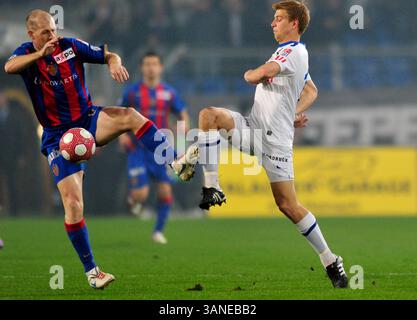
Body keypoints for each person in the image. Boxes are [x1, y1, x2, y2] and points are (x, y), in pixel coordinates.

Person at [4, 10, 197, 290]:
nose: (52, 36)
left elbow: (109, 54)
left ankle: (174, 162)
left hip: (88, 121)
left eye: (54, 29)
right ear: (31, 34)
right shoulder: (25, 55)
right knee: (73, 205)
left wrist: (113, 62)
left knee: (131, 115)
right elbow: (10, 68)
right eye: (45, 32)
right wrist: (39, 54)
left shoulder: (70, 46)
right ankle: (93, 272)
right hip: (58, 137)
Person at [187, 0, 348, 288]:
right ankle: (212, 186)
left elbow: (259, 74)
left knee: (288, 205)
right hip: (253, 128)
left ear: (294, 23)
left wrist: (252, 73)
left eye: (278, 18)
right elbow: (311, 89)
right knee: (208, 116)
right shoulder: (292, 54)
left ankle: (330, 259)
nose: (273, 23)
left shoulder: (293, 51)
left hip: (275, 143)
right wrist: (293, 112)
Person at [119, 52, 190, 244]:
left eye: (154, 64)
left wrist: (182, 128)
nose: (151, 67)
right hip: (137, 149)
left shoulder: (169, 92)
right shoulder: (132, 92)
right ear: (142, 68)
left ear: (160, 68)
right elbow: (119, 114)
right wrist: (122, 136)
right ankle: (134, 202)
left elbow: (182, 113)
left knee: (165, 191)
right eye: (147, 64)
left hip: (160, 151)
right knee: (141, 194)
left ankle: (158, 232)